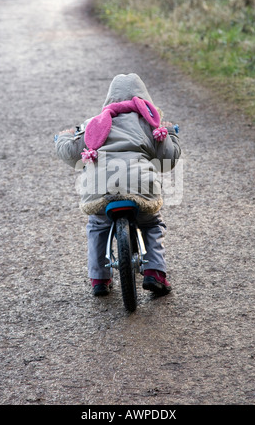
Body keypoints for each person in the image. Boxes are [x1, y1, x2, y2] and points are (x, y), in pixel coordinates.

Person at [55, 73, 181, 296]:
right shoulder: (150, 124)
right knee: (151, 224)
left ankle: (99, 279)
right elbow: (167, 159)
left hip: (101, 191)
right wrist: (170, 133)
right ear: (145, 99)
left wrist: (64, 138)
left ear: (109, 99)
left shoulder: (94, 124)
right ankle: (155, 271)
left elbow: (73, 154)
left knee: (97, 227)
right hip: (140, 188)